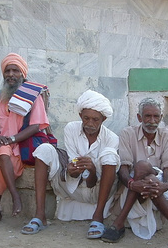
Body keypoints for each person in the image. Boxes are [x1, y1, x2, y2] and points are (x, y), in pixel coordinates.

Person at [101, 98, 168, 248]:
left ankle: (118, 223)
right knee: (141, 168)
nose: (152, 121)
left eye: (156, 117)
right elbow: (124, 166)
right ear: (139, 118)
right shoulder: (128, 133)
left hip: (159, 183)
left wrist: (165, 184)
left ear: (161, 118)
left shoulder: (167, 136)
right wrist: (131, 183)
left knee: (148, 174)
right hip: (132, 185)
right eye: (147, 116)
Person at [21, 90, 119, 237]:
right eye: (86, 118)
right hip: (72, 186)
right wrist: (71, 170)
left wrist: (92, 170)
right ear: (80, 116)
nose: (90, 123)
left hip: (97, 191)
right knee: (44, 149)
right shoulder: (71, 128)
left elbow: (93, 181)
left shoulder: (111, 138)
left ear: (103, 119)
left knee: (110, 156)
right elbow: (74, 168)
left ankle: (97, 217)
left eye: (95, 120)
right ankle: (40, 215)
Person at [0, 53, 51, 226]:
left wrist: (12, 139)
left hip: (23, 145)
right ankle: (14, 198)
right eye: (7, 70)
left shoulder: (33, 94)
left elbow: (37, 125)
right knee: (1, 152)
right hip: (3, 146)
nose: (11, 74)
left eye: (15, 70)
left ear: (22, 73)